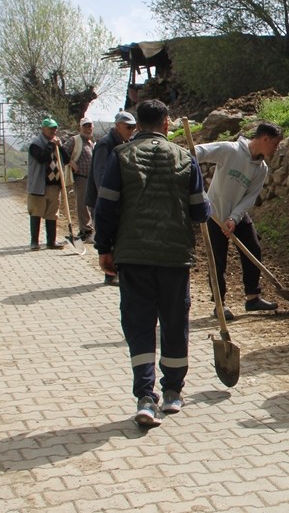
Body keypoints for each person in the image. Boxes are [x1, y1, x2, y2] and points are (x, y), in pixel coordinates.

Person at [93, 99, 210, 427]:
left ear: (138, 124)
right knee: (174, 323)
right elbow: (200, 211)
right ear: (166, 123)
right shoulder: (184, 158)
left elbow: (106, 207)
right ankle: (173, 392)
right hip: (174, 257)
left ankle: (145, 397)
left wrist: (104, 247)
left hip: (133, 256)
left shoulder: (120, 156)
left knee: (139, 325)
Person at [194, 122, 284, 320]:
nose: (276, 148)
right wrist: (193, 180)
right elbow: (197, 152)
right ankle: (219, 304)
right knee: (217, 260)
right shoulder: (230, 150)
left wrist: (234, 218)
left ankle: (253, 297)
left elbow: (250, 197)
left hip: (238, 214)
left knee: (253, 247)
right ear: (265, 139)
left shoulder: (261, 169)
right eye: (275, 143)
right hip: (214, 213)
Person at [87, 110, 137, 284]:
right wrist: (108, 198)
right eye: (128, 127)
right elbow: (100, 175)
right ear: (118, 126)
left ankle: (116, 271)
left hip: (116, 198)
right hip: (104, 199)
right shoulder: (105, 144)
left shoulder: (126, 144)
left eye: (133, 127)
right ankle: (110, 274)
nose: (131, 130)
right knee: (108, 234)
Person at [26, 117, 70, 250]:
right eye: (50, 128)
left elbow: (67, 159)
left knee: (52, 214)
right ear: (43, 129)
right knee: (36, 212)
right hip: (39, 185)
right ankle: (34, 242)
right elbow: (42, 158)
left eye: (55, 128)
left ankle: (51, 241)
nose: (53, 131)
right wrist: (51, 144)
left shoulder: (57, 143)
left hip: (54, 185)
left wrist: (60, 147)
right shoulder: (35, 144)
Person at [66, 117, 95, 241]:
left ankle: (90, 229)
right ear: (80, 128)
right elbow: (62, 152)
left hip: (91, 178)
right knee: (82, 204)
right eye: (85, 126)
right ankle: (85, 230)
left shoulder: (91, 143)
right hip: (80, 177)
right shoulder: (74, 140)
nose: (88, 129)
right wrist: (71, 162)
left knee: (91, 204)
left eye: (90, 127)